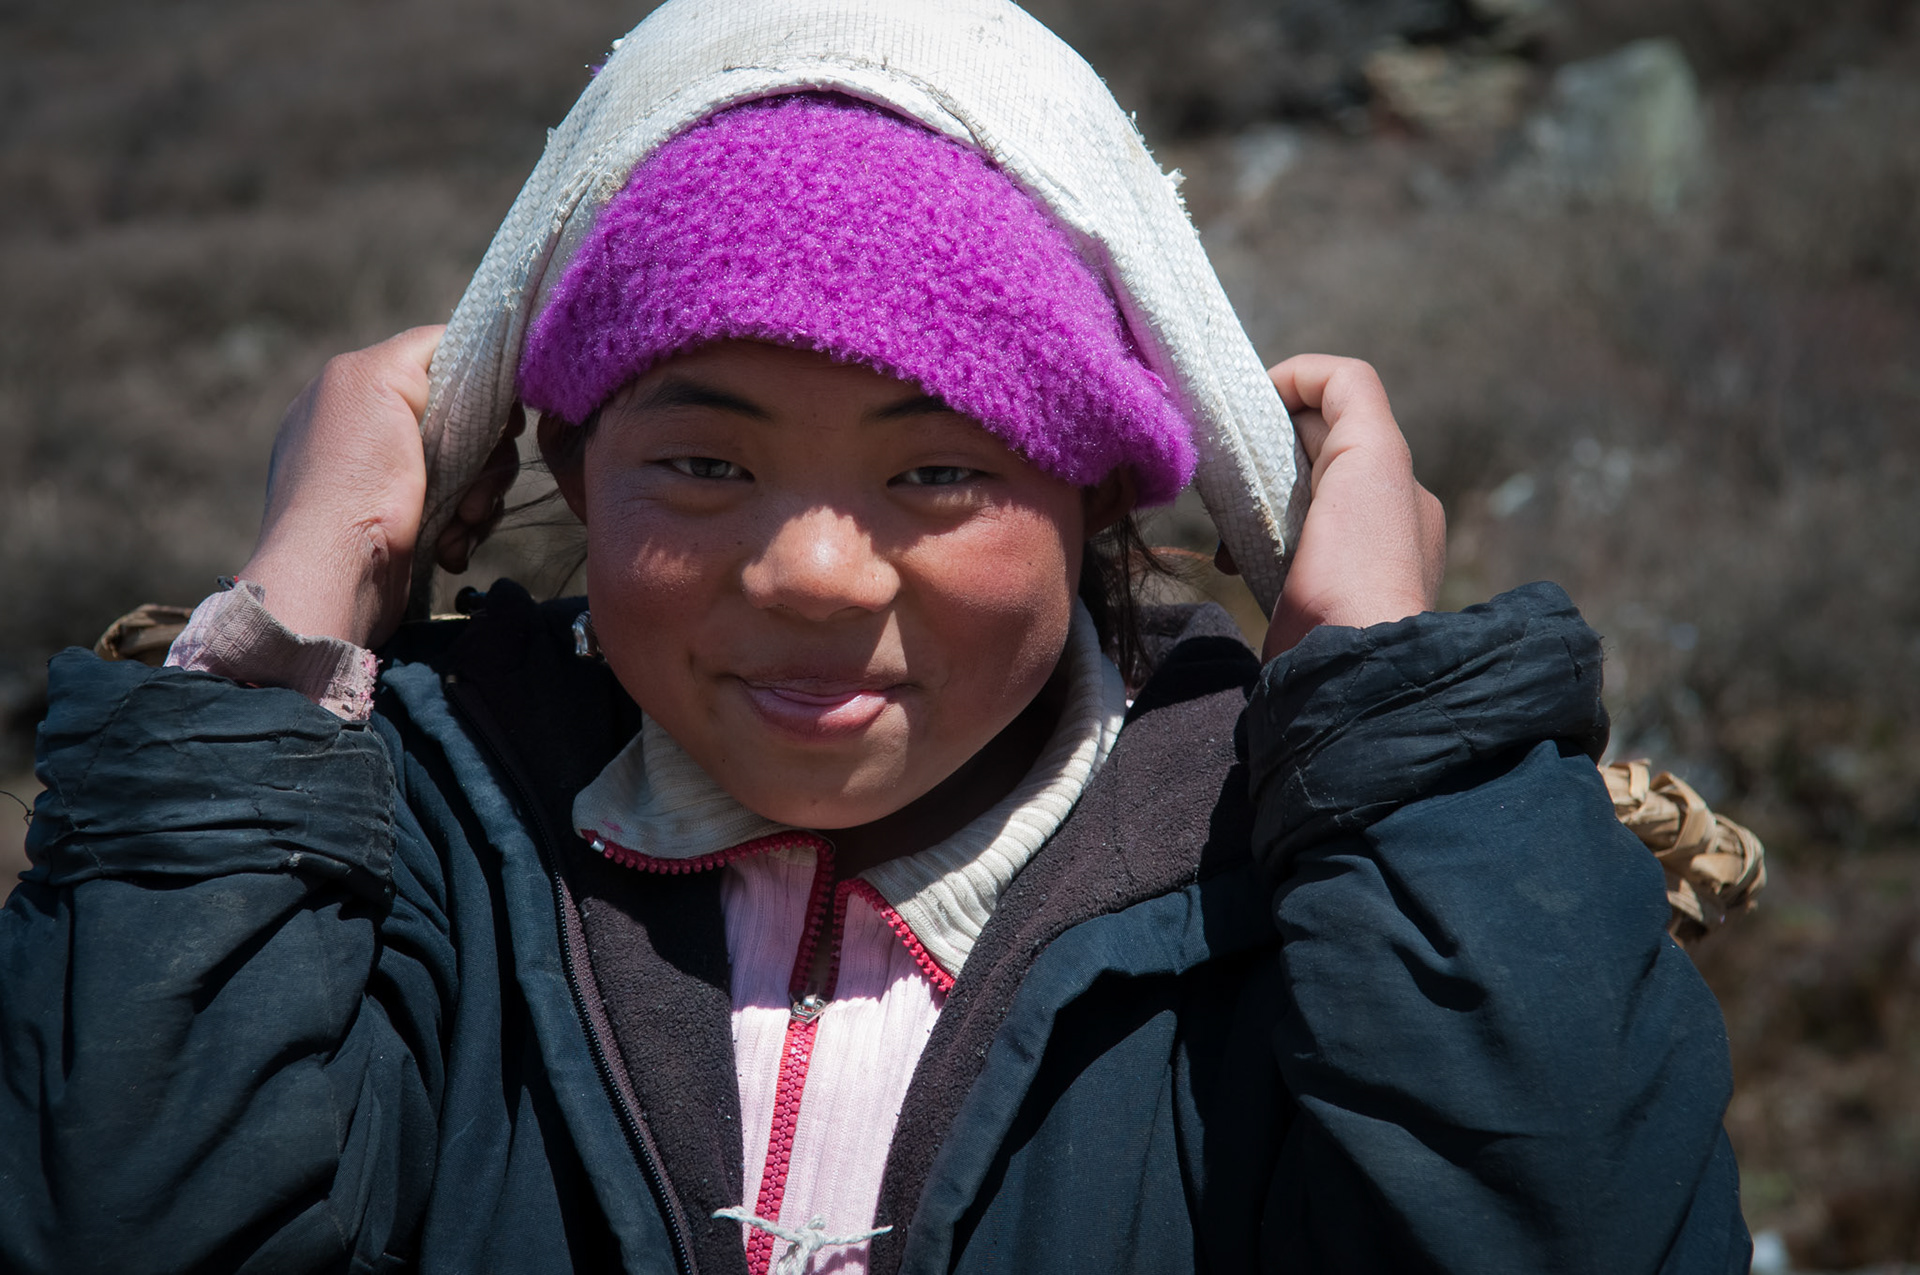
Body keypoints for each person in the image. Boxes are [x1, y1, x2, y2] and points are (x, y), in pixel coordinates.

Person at [0, 12, 1748, 1275]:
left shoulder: (1278, 883)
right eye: (705, 462)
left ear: (1090, 496)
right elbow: (121, 1212)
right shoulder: (418, 844)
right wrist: (311, 589)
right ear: (567, 468)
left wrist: (1385, 701)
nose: (818, 574)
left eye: (938, 470)